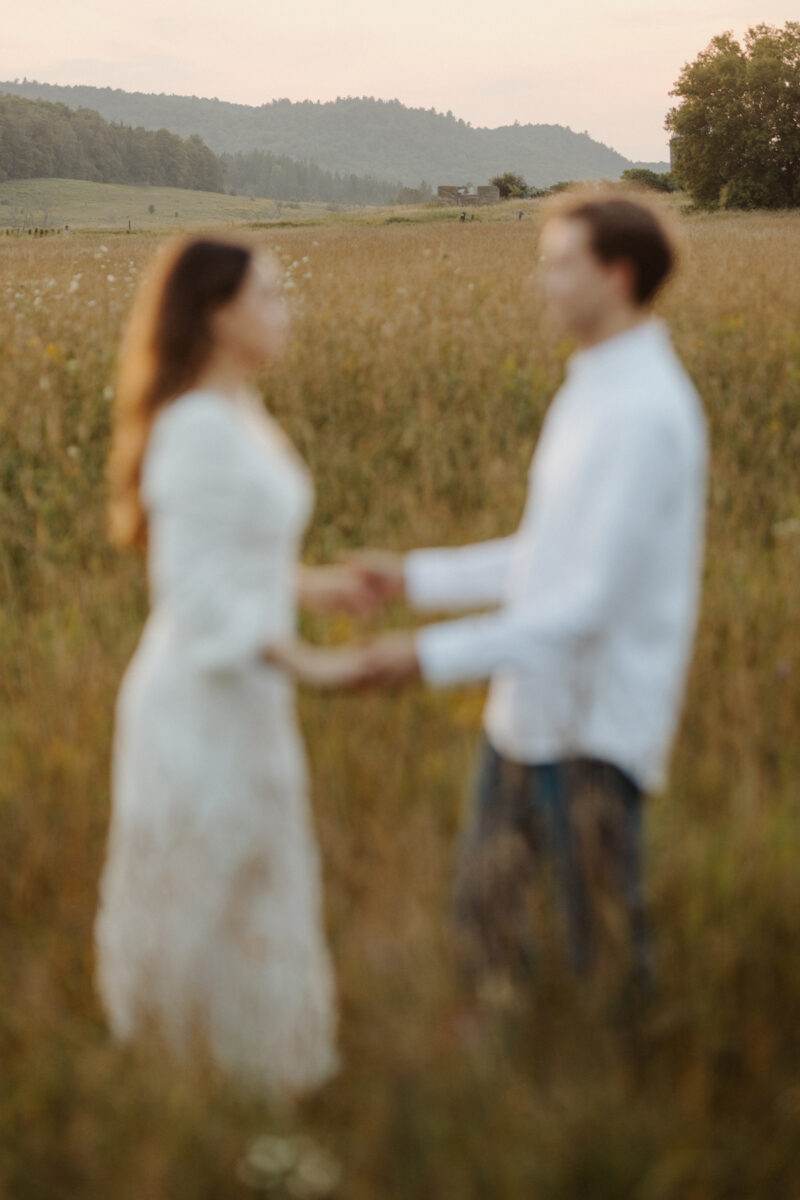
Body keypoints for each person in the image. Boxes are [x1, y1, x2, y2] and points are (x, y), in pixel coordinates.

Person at [287, 192, 709, 993]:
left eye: (559, 265)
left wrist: (426, 655)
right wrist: (413, 578)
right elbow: (543, 557)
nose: (540, 284)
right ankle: (489, 1066)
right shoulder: (591, 386)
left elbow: (589, 604)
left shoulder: (649, 411)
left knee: (603, 958)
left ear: (617, 276)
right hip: (529, 709)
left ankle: (614, 1089)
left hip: (596, 724)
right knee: (482, 930)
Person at [95, 237, 376, 1145]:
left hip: (250, 692)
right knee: (203, 887)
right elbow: (197, 598)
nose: (285, 306)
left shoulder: (237, 408)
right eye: (270, 292)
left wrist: (312, 585)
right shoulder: (194, 429)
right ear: (218, 312)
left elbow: (242, 558)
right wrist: (320, 665)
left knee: (257, 877)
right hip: (201, 696)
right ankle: (185, 1101)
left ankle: (260, 1090)